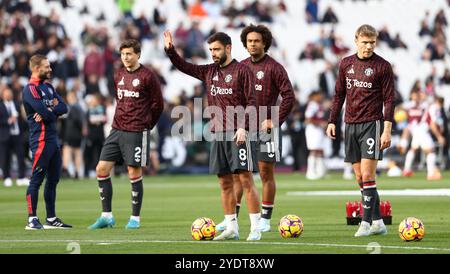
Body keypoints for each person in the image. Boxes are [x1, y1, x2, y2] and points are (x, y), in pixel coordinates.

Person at [164, 30, 262, 241]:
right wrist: (171, 51)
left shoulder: (242, 71)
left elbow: (253, 102)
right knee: (224, 182)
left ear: (228, 48)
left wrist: (244, 127)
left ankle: (255, 228)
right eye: (211, 50)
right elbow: (185, 66)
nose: (213, 53)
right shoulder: (209, 71)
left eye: (217, 49)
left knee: (245, 179)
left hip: (239, 133)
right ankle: (232, 228)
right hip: (218, 133)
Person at [215, 24, 295, 233]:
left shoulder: (274, 68)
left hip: (265, 128)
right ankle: (232, 217)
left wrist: (275, 119)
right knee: (239, 175)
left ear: (264, 43)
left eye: (257, 41)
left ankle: (265, 218)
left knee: (265, 172)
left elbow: (289, 96)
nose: (253, 44)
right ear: (244, 43)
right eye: (249, 41)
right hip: (243, 127)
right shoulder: (239, 67)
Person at [326, 24, 395, 237]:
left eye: (372, 42)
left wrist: (387, 129)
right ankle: (378, 222)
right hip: (350, 124)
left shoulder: (382, 66)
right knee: (359, 177)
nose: (368, 46)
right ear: (356, 40)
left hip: (372, 124)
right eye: (364, 42)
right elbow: (339, 95)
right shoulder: (346, 63)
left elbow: (390, 100)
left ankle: (364, 223)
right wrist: (332, 121)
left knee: (367, 174)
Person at [89, 39, 164, 230]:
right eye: (123, 54)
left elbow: (158, 105)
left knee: (133, 171)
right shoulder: (118, 74)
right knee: (101, 169)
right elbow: (119, 98)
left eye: (129, 54)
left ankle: (135, 219)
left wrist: (146, 124)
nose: (125, 57)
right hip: (117, 128)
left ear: (138, 54)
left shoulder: (148, 76)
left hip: (137, 130)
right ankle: (106, 216)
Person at [22, 54, 71, 229]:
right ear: (36, 68)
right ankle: (32, 219)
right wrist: (50, 110)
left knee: (53, 180)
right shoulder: (30, 89)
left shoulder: (48, 87)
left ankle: (51, 218)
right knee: (36, 181)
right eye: (47, 67)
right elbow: (49, 113)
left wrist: (48, 110)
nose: (50, 69)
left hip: (53, 140)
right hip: (41, 140)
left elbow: (63, 108)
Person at [0, 86, 29, 187]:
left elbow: (22, 119)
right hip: (5, 136)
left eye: (10, 93)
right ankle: (7, 177)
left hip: (17, 135)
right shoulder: (1, 106)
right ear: (3, 95)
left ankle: (21, 177)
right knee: (5, 158)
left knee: (21, 156)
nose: (8, 95)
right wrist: (8, 121)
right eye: (6, 93)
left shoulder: (17, 104)